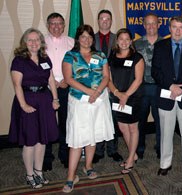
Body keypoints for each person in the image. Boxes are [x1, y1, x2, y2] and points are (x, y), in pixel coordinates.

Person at [62, 24, 115, 193]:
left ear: (93, 39)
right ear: (78, 38)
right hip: (79, 101)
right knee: (77, 139)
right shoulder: (70, 55)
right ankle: (71, 177)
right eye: (83, 36)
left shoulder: (100, 55)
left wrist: (97, 92)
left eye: (90, 37)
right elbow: (68, 79)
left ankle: (88, 166)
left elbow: (106, 77)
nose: (87, 40)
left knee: (93, 135)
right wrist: (88, 92)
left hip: (99, 100)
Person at [151, 16, 182, 178]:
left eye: (181, 27)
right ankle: (165, 164)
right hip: (166, 96)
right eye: (175, 27)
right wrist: (170, 86)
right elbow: (155, 71)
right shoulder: (160, 46)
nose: (178, 31)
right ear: (169, 28)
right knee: (166, 133)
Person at [9, 28, 59, 189]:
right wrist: (23, 105)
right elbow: (17, 85)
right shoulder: (19, 60)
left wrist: (56, 99)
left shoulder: (45, 58)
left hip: (44, 101)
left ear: (41, 42)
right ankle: (29, 175)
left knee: (42, 140)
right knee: (30, 141)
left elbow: (51, 80)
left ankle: (39, 173)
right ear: (25, 42)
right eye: (30, 40)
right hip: (27, 100)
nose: (33, 43)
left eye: (37, 39)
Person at [108, 28, 144, 174]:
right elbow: (108, 79)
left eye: (126, 39)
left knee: (133, 128)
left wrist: (126, 95)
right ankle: (133, 154)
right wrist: (117, 93)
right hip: (117, 97)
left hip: (133, 97)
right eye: (121, 39)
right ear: (117, 41)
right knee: (123, 128)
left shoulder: (137, 57)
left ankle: (130, 160)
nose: (123, 42)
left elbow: (138, 80)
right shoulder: (112, 57)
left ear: (131, 41)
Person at [43, 12, 74, 171]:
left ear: (63, 25)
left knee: (65, 122)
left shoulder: (71, 42)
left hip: (65, 87)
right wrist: (50, 82)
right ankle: (46, 156)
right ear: (48, 25)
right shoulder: (40, 42)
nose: (56, 26)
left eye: (60, 23)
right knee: (47, 123)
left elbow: (76, 65)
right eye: (53, 23)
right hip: (46, 88)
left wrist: (66, 81)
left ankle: (64, 154)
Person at [93, 9, 123, 163]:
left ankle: (113, 150)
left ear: (111, 21)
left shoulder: (117, 39)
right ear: (98, 21)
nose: (105, 21)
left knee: (113, 118)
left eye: (108, 19)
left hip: (113, 85)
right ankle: (98, 151)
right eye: (102, 18)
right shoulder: (91, 39)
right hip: (95, 85)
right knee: (98, 119)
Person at [134, 13, 162, 160]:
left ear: (159, 25)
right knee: (140, 121)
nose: (151, 26)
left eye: (154, 23)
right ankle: (139, 149)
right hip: (142, 88)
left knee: (160, 121)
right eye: (148, 24)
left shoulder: (165, 43)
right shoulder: (136, 45)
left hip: (159, 88)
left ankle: (160, 148)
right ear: (144, 25)